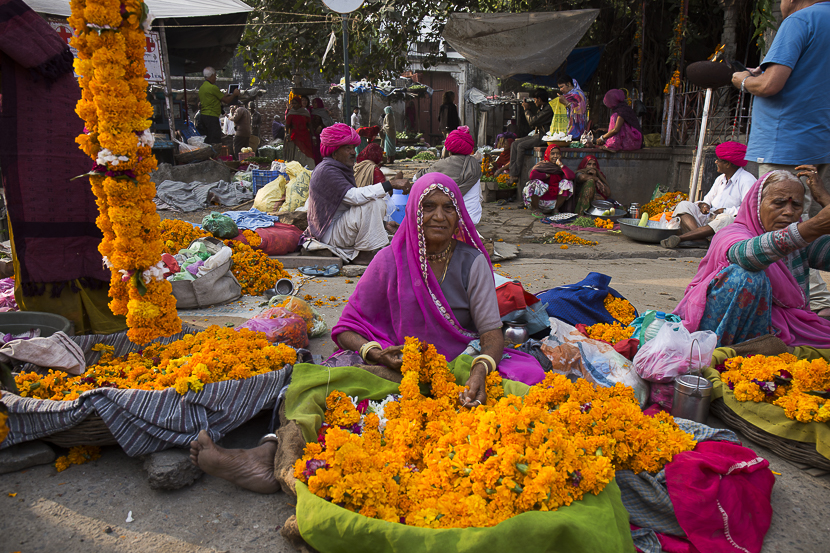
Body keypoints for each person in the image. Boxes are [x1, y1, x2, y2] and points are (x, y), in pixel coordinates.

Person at [188, 173, 546, 496]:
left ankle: (274, 457)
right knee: (311, 384)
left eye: (448, 208)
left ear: (459, 216)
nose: (439, 216)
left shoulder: (473, 262)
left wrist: (481, 370)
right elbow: (346, 328)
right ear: (413, 213)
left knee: (524, 384)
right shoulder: (390, 259)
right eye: (428, 207)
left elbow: (490, 332)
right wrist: (378, 353)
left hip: (453, 367)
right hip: (393, 363)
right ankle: (269, 456)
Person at [730, 0, 830, 317]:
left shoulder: (800, 21)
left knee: (775, 232)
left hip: (785, 141)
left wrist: (741, 80)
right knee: (806, 228)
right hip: (821, 140)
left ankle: (808, 305)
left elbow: (770, 84)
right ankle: (809, 305)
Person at [674, 169, 830, 347]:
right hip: (719, 331)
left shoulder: (800, 240)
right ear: (756, 205)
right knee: (746, 276)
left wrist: (826, 201)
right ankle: (716, 352)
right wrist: (812, 227)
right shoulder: (732, 233)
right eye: (778, 203)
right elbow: (744, 256)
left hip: (786, 329)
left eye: (796, 205)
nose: (788, 212)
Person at [304, 124, 410, 263]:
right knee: (374, 201)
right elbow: (354, 197)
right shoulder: (326, 170)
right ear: (334, 152)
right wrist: (391, 184)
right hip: (328, 233)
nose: (353, 152)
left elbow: (350, 207)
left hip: (339, 228)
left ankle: (368, 249)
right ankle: (364, 253)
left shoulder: (339, 168)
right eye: (348, 148)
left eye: (353, 148)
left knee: (374, 200)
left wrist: (383, 224)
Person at [662, 141, 756, 248]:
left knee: (725, 219)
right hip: (710, 219)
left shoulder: (747, 180)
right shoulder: (720, 179)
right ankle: (699, 239)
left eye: (718, 160)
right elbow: (708, 199)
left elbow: (749, 211)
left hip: (728, 224)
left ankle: (684, 238)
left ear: (728, 164)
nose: (716, 162)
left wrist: (724, 211)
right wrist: (704, 205)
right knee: (684, 205)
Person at [414, 126, 483, 224]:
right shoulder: (475, 164)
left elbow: (416, 178)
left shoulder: (442, 164)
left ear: (448, 149)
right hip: (473, 217)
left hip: (447, 219)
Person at [509, 88, 553, 185]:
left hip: (544, 136)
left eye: (535, 99)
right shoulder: (542, 108)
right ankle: (512, 174)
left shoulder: (548, 109)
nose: (534, 102)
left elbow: (532, 121)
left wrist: (527, 110)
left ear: (540, 99)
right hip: (538, 134)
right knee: (514, 144)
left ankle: (516, 174)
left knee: (521, 146)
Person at [522, 145, 576, 215]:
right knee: (534, 183)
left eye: (557, 153)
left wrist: (561, 165)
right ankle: (536, 209)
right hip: (540, 202)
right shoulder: (542, 165)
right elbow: (532, 175)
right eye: (553, 153)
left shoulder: (560, 168)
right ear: (547, 154)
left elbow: (571, 176)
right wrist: (548, 175)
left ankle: (556, 209)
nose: (555, 156)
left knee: (568, 183)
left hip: (553, 203)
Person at [197, 66, 239, 144]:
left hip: (203, 116)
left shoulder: (202, 87)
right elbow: (226, 101)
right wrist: (234, 94)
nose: (216, 78)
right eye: (215, 75)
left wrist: (226, 94)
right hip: (212, 117)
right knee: (215, 140)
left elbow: (216, 98)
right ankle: (214, 155)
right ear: (212, 75)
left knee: (209, 138)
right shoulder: (213, 88)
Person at [284, 96, 316, 168]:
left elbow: (310, 125)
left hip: (305, 135)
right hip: (295, 136)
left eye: (295, 103)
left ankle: (309, 167)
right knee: (295, 152)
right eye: (293, 104)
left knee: (307, 152)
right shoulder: (291, 113)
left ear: (299, 104)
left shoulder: (305, 112)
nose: (294, 105)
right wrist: (287, 134)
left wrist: (313, 136)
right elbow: (287, 125)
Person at [556, 74, 587, 139]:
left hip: (576, 131)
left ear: (569, 84)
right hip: (566, 130)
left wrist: (566, 103)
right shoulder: (567, 96)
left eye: (562, 87)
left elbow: (579, 111)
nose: (561, 89)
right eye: (559, 87)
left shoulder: (578, 95)